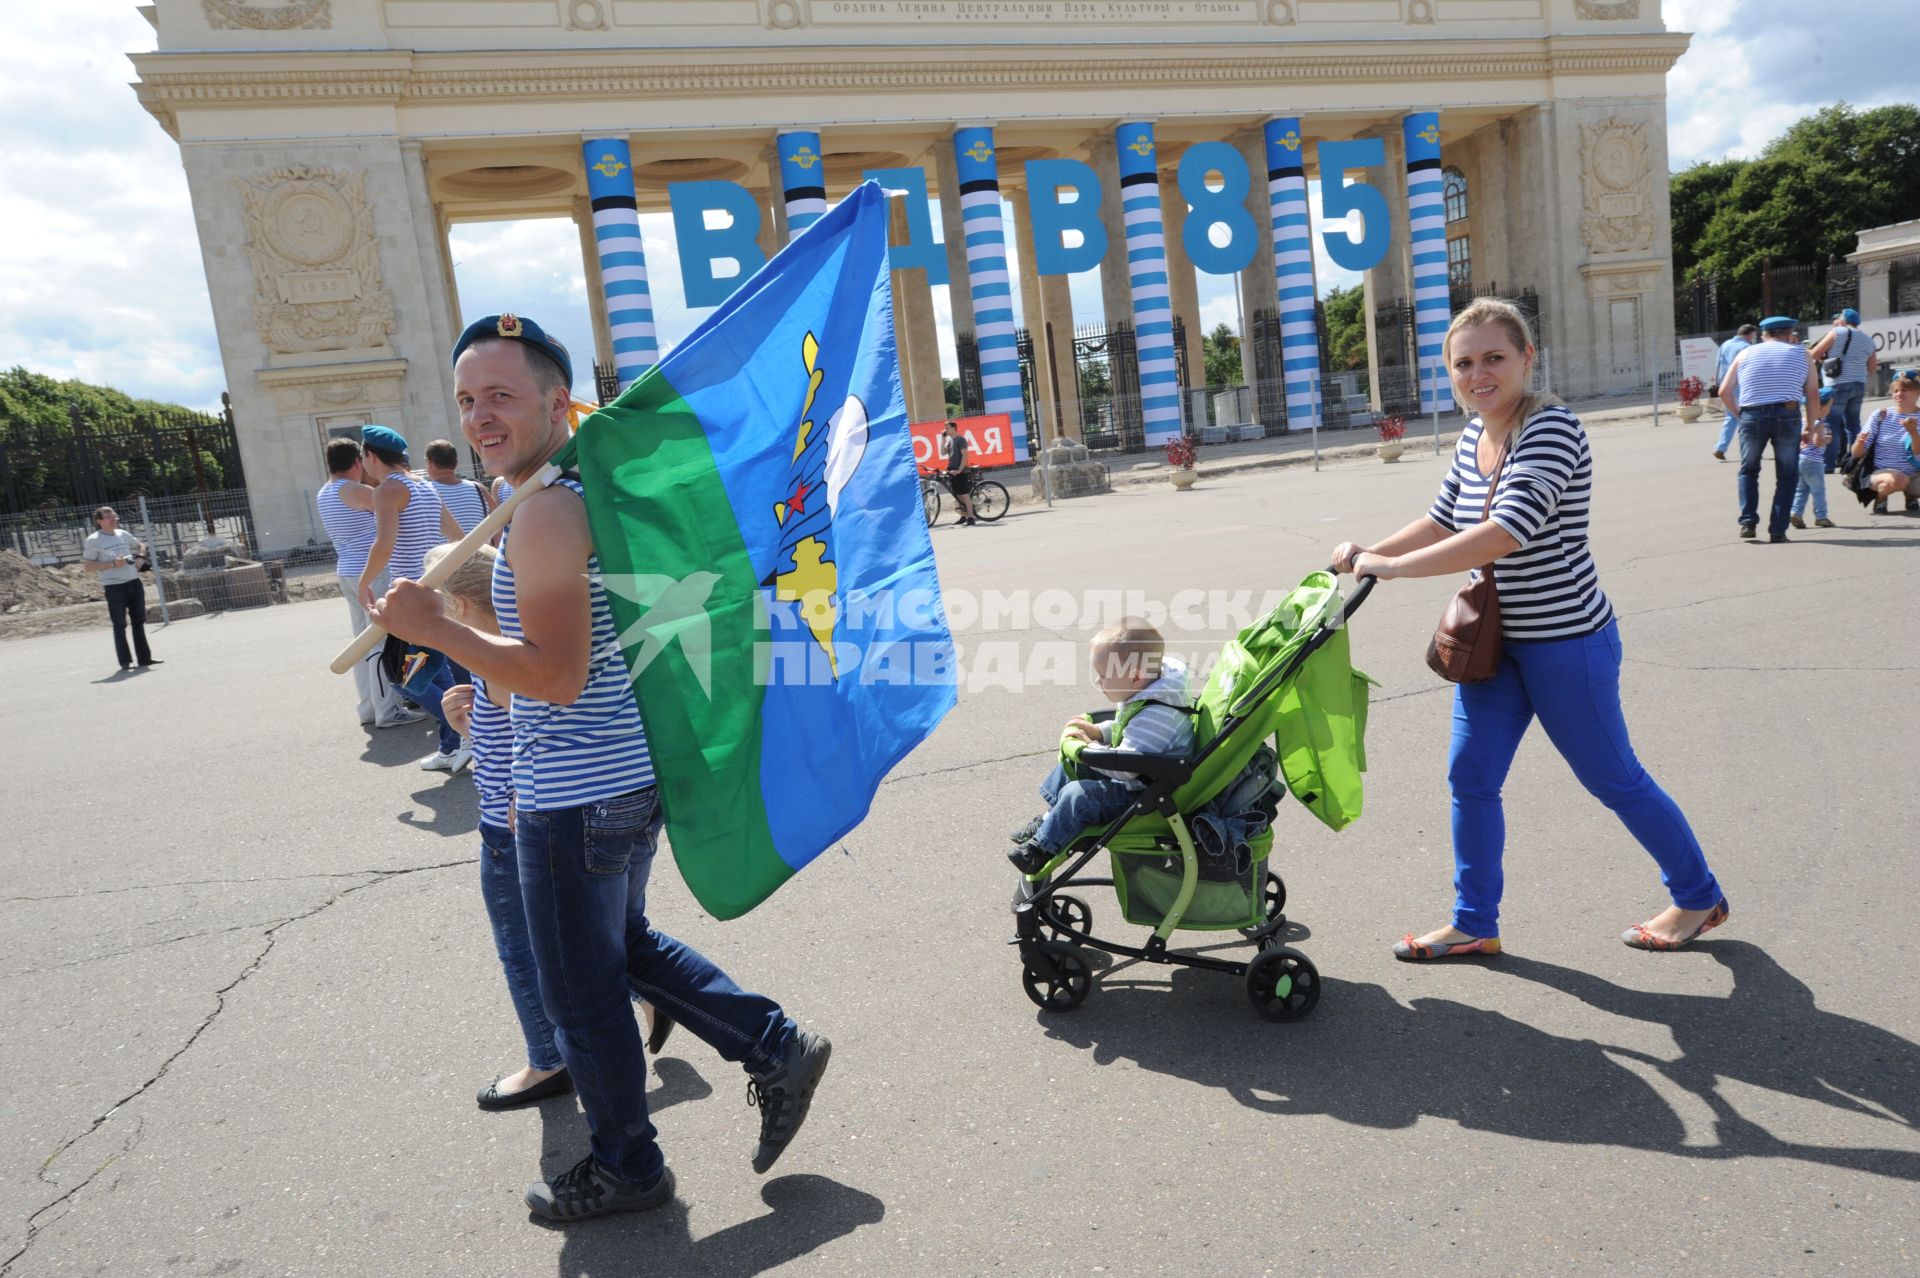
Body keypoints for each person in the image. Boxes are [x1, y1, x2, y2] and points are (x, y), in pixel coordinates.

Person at [369, 312, 830, 1223]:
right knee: (622, 951)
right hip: (621, 774)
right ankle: (774, 1042)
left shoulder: (546, 510)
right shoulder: (587, 489)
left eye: (501, 395)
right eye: (467, 399)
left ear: (556, 398)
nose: (480, 417)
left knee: (581, 994)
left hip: (574, 791)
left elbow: (556, 674)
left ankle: (628, 1165)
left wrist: (437, 632)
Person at [1330, 297, 1728, 959]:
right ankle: (1473, 922)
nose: (1478, 373)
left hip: (1567, 642)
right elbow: (1443, 518)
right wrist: (1367, 553)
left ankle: (1697, 896)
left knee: (1613, 779)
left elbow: (1504, 532)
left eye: (1493, 358)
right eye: (1464, 363)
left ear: (1526, 360)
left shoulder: (1551, 429)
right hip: (1498, 647)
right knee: (1471, 777)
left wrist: (1393, 569)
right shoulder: (1472, 434)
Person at [423, 542, 675, 1114]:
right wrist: (468, 720)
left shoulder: (502, 662)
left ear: (460, 607)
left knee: (529, 951)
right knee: (606, 935)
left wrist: (510, 791)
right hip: (588, 803)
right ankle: (651, 994)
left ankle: (548, 1059)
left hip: (520, 827)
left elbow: (529, 738)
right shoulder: (515, 650)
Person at [1007, 618, 1195, 876]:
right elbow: (1124, 727)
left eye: (1104, 676)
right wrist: (1099, 731)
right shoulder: (1146, 693)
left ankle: (1041, 848)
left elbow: (1128, 765)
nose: (1099, 681)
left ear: (1136, 677)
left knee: (1079, 795)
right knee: (1071, 767)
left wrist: (1093, 749)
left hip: (1145, 790)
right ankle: (1050, 819)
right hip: (1138, 774)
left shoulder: (1158, 716)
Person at [357, 425, 470, 772]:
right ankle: (454, 745)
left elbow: (384, 544)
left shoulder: (388, 490)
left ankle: (468, 732)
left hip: (407, 598)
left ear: (372, 457)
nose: (363, 465)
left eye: (363, 458)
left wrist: (364, 582)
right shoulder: (423, 486)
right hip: (434, 590)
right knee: (435, 671)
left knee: (402, 676)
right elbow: (457, 535)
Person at [317, 439, 421, 728]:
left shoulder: (325, 492)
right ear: (356, 462)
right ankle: (389, 709)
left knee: (362, 642)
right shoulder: (355, 490)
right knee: (381, 641)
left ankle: (369, 708)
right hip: (371, 572)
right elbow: (394, 504)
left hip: (347, 571)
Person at [1719, 315, 1821, 544]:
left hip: (1752, 414)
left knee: (1748, 470)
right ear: (1789, 334)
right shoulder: (1803, 355)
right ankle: (1777, 530)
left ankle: (1747, 522)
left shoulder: (1744, 353)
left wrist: (1739, 415)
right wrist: (1811, 426)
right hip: (1788, 414)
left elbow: (1724, 391)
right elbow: (1813, 394)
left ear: (1764, 335)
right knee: (1787, 474)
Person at [80, 506, 159, 672]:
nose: (114, 519)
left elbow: (140, 545)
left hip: (134, 583)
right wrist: (112, 564)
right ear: (99, 521)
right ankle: (125, 662)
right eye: (109, 516)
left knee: (139, 622)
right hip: (114, 587)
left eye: (115, 515)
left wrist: (140, 558)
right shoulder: (93, 540)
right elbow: (88, 566)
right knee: (120, 624)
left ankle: (145, 658)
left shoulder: (123, 534)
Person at [1809, 307, 1878, 470]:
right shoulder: (1868, 339)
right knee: (1853, 425)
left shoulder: (1837, 332)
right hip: (1859, 384)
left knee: (1831, 424)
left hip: (1837, 383)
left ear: (1842, 320)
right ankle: (1855, 462)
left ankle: (1828, 464)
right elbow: (1872, 368)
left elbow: (1815, 353)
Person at [1852, 369, 1920, 516]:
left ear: (1917, 392)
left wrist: (1913, 432)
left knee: (1905, 479)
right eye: (1896, 390)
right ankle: (1881, 498)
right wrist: (1859, 443)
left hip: (1915, 473)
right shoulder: (1881, 415)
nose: (1899, 394)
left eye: (1905, 390)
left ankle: (1911, 495)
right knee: (1898, 479)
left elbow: (1917, 452)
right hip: (1882, 473)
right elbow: (1856, 453)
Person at [425, 438, 496, 536]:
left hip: (444, 551)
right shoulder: (479, 489)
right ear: (456, 463)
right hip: (481, 550)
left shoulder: (424, 492)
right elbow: (498, 522)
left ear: (429, 463)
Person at [1788, 393, 1836, 531]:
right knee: (1818, 490)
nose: (1829, 410)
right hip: (1814, 462)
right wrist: (1827, 440)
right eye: (1828, 407)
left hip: (1800, 460)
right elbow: (1818, 442)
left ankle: (1796, 513)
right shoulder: (1818, 422)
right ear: (1819, 408)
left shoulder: (1802, 421)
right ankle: (1821, 516)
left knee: (1801, 489)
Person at [1711, 323, 1758, 461]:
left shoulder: (1725, 344)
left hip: (1724, 383)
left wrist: (1718, 382)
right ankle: (1748, 449)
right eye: (1754, 335)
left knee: (1731, 416)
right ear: (1749, 335)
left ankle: (1721, 447)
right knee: (1747, 417)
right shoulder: (1747, 348)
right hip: (1741, 384)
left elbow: (1717, 364)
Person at [942, 420, 978, 526]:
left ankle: (971, 517)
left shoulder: (961, 440)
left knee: (965, 495)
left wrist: (959, 470)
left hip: (959, 470)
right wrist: (942, 439)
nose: (946, 430)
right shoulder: (949, 441)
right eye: (945, 428)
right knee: (957, 495)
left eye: (947, 428)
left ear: (954, 428)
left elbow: (965, 456)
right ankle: (963, 516)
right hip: (951, 469)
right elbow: (943, 452)